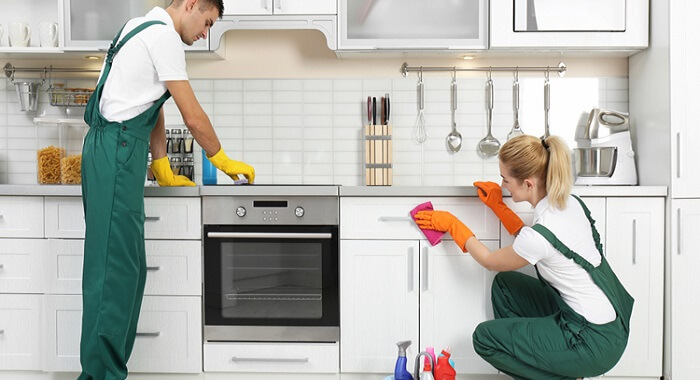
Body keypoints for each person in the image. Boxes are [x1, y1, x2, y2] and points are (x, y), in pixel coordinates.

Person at [79, 0, 254, 378]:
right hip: (117, 151)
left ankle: (107, 370)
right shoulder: (164, 38)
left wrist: (161, 164)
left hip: (114, 150)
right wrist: (221, 159)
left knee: (128, 268)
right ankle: (100, 375)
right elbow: (191, 114)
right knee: (113, 273)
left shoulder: (138, 27)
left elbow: (152, 103)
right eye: (206, 22)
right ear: (190, 4)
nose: (205, 33)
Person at [414, 134, 633, 380]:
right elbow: (542, 243)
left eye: (506, 180)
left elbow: (490, 260)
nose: (503, 185)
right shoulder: (570, 203)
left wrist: (453, 224)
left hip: (590, 342)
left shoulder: (540, 234)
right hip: (611, 326)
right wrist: (499, 207)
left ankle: (564, 374)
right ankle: (550, 360)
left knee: (484, 339)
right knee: (505, 285)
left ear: (528, 184)